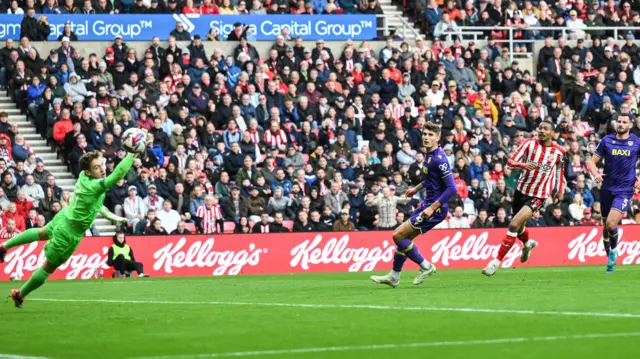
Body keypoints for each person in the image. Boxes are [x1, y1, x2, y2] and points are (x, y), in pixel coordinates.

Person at [0, 149, 136, 308]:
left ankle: (4, 246)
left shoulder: (84, 177)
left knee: (41, 232)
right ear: (88, 171)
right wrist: (132, 154)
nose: (102, 169)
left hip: (65, 216)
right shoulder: (95, 186)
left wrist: (114, 217)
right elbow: (117, 175)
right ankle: (20, 295)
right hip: (69, 233)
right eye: (97, 167)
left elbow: (96, 206)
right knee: (48, 267)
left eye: (102, 165)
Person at [371, 122, 456, 288]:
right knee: (405, 238)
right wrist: (415, 189)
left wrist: (432, 207)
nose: (426, 137)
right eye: (425, 134)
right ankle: (394, 276)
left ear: (438, 138)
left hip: (435, 208)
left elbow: (452, 188)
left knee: (397, 236)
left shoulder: (439, 159)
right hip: (427, 203)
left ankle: (426, 266)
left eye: (431, 135)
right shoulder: (429, 155)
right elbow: (430, 179)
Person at [482, 121, 565, 277]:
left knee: (513, 224)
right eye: (540, 128)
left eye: (545, 129)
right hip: (521, 191)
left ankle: (495, 263)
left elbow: (560, 171)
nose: (541, 131)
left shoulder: (559, 152)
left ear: (552, 133)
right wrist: (523, 165)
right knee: (519, 226)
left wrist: (559, 190)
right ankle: (527, 244)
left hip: (539, 195)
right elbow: (510, 162)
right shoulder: (529, 144)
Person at [587, 114, 640, 273]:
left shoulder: (636, 142)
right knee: (605, 226)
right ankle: (609, 256)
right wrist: (595, 173)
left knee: (611, 223)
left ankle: (614, 250)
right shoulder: (606, 141)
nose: (621, 124)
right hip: (606, 188)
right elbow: (591, 161)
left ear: (630, 124)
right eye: (619, 121)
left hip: (624, 190)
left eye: (624, 122)